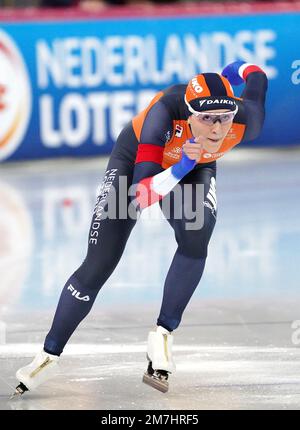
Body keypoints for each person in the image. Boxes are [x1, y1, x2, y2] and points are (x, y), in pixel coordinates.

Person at [12, 61, 268, 396]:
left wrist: (233, 70)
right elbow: (142, 194)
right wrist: (182, 165)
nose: (217, 129)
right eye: (207, 118)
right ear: (189, 114)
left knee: (197, 235)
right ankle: (48, 354)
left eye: (224, 117)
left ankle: (162, 334)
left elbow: (257, 76)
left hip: (192, 168)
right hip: (137, 163)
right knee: (99, 263)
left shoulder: (247, 120)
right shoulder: (163, 113)